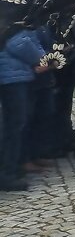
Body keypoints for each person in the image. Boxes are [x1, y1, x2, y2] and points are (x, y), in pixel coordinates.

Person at [0, 28, 51, 191]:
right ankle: (8, 173)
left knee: (16, 124)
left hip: (15, 74)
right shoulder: (12, 19)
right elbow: (18, 42)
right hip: (12, 76)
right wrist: (41, 58)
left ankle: (14, 167)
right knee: (14, 124)